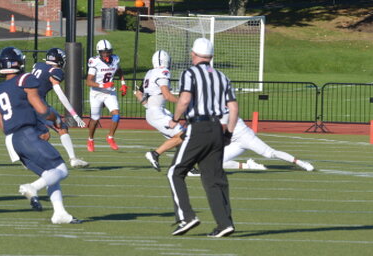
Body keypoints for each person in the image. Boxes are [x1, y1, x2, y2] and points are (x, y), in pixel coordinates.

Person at [0, 46, 80, 224]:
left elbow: (2, 125)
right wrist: (55, 119)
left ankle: (59, 213)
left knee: (50, 173)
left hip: (12, 141)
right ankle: (32, 187)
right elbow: (42, 110)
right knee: (61, 170)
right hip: (26, 134)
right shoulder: (25, 79)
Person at [167, 37, 237, 238]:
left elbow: (185, 99)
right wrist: (228, 133)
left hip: (198, 126)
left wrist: (175, 119)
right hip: (217, 127)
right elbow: (233, 108)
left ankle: (186, 217)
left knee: (175, 172)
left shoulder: (190, 73)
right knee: (214, 179)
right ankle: (224, 223)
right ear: (211, 56)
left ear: (193, 54)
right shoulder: (222, 76)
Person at [30, 48, 89, 168]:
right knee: (62, 127)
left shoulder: (38, 65)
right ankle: (73, 159)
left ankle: (29, 159)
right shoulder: (55, 71)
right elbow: (60, 94)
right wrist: (74, 115)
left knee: (44, 135)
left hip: (24, 102)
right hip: (38, 104)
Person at [134, 50, 185, 172]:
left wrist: (148, 106)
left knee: (179, 139)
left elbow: (138, 93)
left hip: (156, 111)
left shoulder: (150, 73)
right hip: (157, 112)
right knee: (183, 136)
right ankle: (155, 154)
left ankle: (187, 167)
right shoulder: (163, 72)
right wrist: (183, 102)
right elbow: (167, 95)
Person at [221, 114, 315, 171]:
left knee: (270, 153)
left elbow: (222, 127)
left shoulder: (222, 110)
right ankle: (248, 166)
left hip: (246, 136)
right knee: (218, 161)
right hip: (235, 141)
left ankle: (301, 163)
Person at [86, 39, 128, 151]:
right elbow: (88, 82)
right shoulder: (94, 62)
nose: (106, 54)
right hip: (96, 93)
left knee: (116, 115)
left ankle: (110, 137)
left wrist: (123, 83)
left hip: (109, 92)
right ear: (99, 52)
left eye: (108, 52)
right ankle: (90, 139)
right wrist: (102, 85)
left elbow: (119, 71)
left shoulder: (115, 59)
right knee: (95, 119)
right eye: (103, 52)